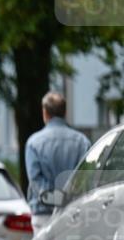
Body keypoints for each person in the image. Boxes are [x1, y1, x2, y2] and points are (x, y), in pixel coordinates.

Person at [25, 91, 90, 230]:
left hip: (43, 214)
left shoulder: (34, 143)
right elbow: (85, 178)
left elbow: (36, 181)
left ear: (45, 113)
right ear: (64, 112)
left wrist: (55, 199)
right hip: (73, 212)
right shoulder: (82, 142)